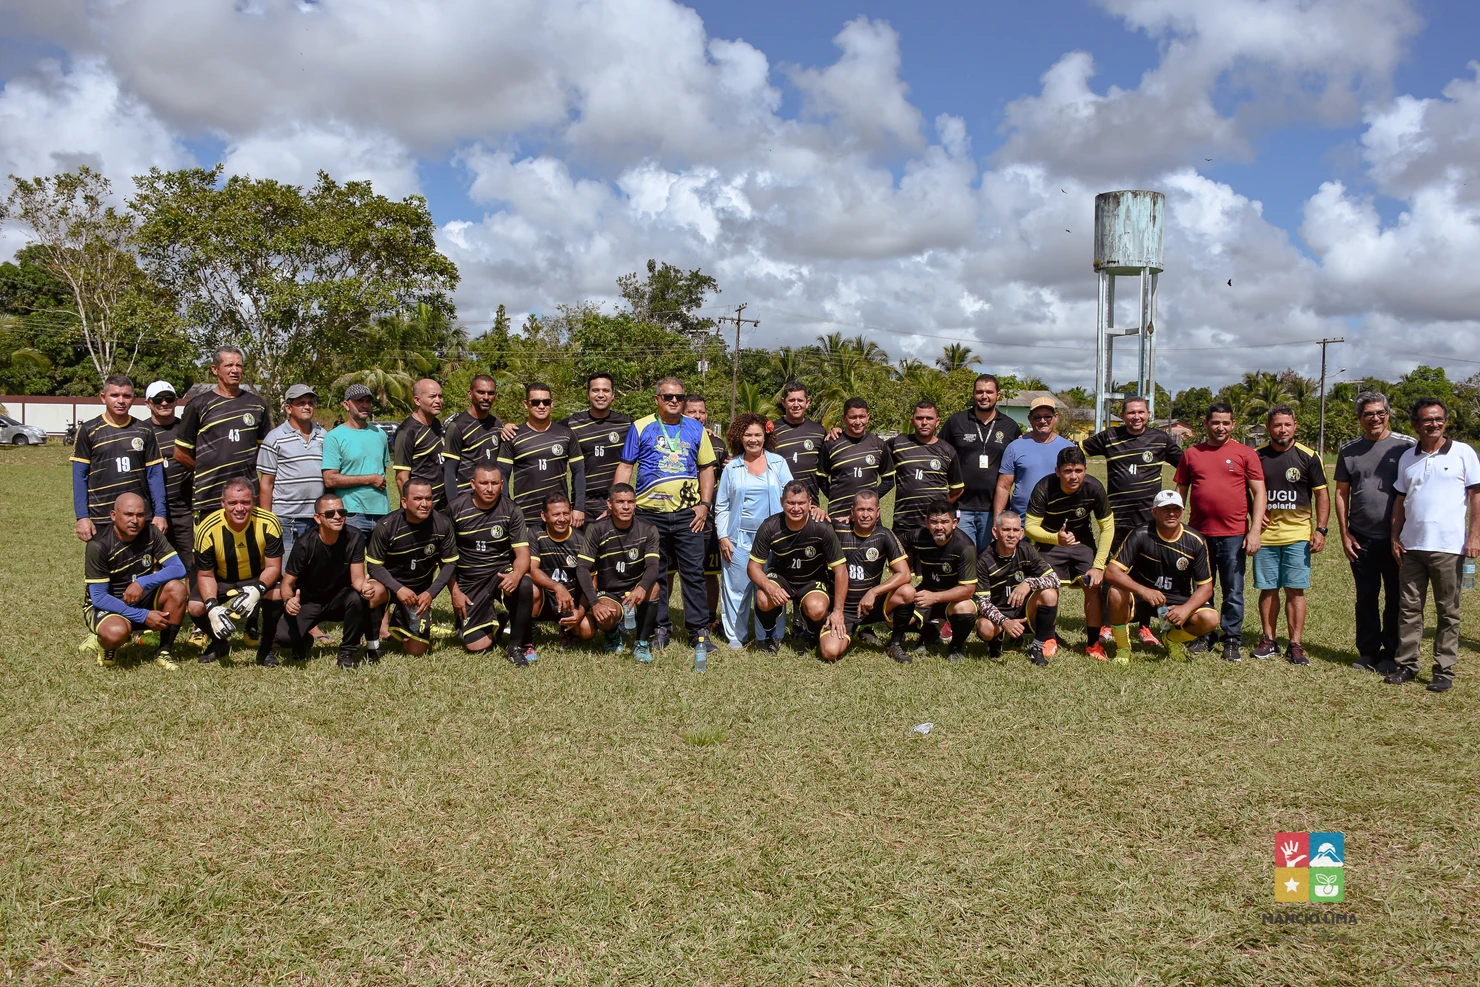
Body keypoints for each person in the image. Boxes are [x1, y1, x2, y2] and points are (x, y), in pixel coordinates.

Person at [613, 378, 716, 653]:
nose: (674, 401)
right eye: (668, 396)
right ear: (657, 399)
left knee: (693, 573)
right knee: (655, 573)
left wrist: (705, 504)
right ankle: (659, 627)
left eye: (679, 397)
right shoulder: (640, 426)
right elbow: (626, 466)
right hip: (649, 514)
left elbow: (706, 468)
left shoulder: (695, 428)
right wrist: (617, 501)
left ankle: (698, 631)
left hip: (688, 514)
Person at [1387, 398, 1480, 692]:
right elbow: (1400, 500)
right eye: (1427, 420)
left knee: (1448, 612)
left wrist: (1474, 537)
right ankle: (1407, 665)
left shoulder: (1463, 453)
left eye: (1438, 419)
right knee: (1409, 609)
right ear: (1415, 424)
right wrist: (1395, 536)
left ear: (1446, 421)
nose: (1434, 424)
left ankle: (1444, 670)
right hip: (1411, 547)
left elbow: (1476, 497)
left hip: (1449, 547)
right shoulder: (1408, 457)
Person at [1079, 394, 1183, 646]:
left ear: (1148, 414)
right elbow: (1076, 452)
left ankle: (1144, 626)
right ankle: (1107, 624)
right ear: (1123, 416)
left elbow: (1186, 465)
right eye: (1131, 413)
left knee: (1147, 574)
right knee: (1112, 572)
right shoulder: (1109, 437)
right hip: (1116, 520)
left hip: (1149, 522)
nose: (1136, 417)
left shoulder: (1160, 439)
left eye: (1141, 412)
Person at [1174, 402, 1266, 662]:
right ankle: (1204, 634)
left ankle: (1232, 638)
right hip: (1199, 535)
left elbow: (1259, 492)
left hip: (1234, 534)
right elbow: (1181, 491)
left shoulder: (1246, 454)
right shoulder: (1191, 454)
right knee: (1202, 587)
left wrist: (1255, 530)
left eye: (1226, 422)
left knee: (1233, 589)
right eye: (1215, 422)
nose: (1220, 427)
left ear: (1233, 424)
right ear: (1206, 424)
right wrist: (1177, 527)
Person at [1334, 391, 1415, 674]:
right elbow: (1341, 493)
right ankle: (1368, 652)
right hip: (1361, 538)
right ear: (1360, 418)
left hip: (1399, 539)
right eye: (1368, 414)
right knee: (1366, 597)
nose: (1375, 418)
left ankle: (1391, 653)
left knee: (1396, 598)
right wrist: (1345, 533)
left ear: (1388, 414)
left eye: (1380, 413)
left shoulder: (1406, 446)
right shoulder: (1349, 450)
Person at [1251, 405, 1329, 666]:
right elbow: (1241, 489)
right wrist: (1252, 515)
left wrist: (1321, 529)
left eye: (1287, 424)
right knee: (1268, 589)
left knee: (1295, 590)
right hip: (1266, 537)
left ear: (1295, 426)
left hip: (1298, 535)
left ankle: (1295, 644)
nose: (1282, 429)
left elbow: (1321, 494)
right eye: (1277, 425)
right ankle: (1268, 640)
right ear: (1268, 427)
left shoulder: (1309, 456)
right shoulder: (1257, 456)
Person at [1104, 490, 1219, 664]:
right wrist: (1144, 591)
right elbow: (1111, 572)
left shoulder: (1195, 540)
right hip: (1142, 596)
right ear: (1154, 512)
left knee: (1210, 618)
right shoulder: (1141, 534)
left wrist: (1186, 608)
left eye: (1176, 509)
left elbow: (1206, 587)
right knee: (1115, 593)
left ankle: (1172, 640)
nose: (1171, 513)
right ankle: (1123, 649)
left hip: (1176, 598)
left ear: (1183, 512)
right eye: (1165, 509)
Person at [81, 492, 189, 669]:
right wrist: (144, 616)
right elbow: (99, 597)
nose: (135, 520)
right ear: (113, 515)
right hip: (108, 606)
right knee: (116, 633)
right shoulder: (98, 545)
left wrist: (142, 583)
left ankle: (164, 651)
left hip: (141, 598)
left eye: (140, 515)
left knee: (177, 589)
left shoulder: (151, 533)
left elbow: (178, 568)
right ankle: (108, 645)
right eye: (128, 514)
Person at [1024, 446, 1114, 658]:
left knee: (1092, 585)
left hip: (1082, 543)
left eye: (1079, 470)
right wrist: (1056, 538)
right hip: (1050, 542)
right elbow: (1030, 527)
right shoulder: (1044, 487)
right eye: (1068, 471)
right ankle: (1048, 637)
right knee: (1049, 586)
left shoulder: (1094, 488)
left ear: (1085, 470)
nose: (1074, 476)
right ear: (1058, 471)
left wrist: (1098, 566)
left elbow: (1108, 527)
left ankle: (1093, 644)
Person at [715, 413, 792, 649]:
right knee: (736, 588)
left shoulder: (778, 463)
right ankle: (735, 636)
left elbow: (791, 496)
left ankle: (769, 634)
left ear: (765, 436)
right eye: (748, 435)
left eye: (758, 434)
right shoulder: (732, 467)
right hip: (739, 538)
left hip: (772, 539)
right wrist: (723, 536)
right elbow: (722, 505)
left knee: (770, 587)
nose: (753, 439)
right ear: (740, 437)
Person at [188, 477, 285, 666]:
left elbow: (274, 567)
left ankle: (266, 649)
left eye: (245, 502)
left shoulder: (269, 522)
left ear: (254, 501)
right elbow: (205, 574)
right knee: (195, 607)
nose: (239, 508)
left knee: (278, 594)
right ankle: (219, 643)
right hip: (221, 578)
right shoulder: (207, 529)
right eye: (233, 503)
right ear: (222, 503)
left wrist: (257, 589)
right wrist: (212, 607)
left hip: (258, 576)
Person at [447, 463, 535, 666]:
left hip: (499, 574)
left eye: (494, 483)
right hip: (470, 580)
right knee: (477, 647)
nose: (489, 488)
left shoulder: (511, 510)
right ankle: (499, 620)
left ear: (502, 485)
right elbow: (447, 558)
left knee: (525, 584)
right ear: (472, 484)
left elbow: (523, 554)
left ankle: (515, 646)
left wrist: (515, 575)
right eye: (483, 483)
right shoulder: (455, 509)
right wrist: (455, 591)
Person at [747, 481, 849, 654]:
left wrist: (838, 611)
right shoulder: (770, 526)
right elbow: (753, 567)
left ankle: (811, 632)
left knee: (817, 608)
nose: (796, 508)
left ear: (810, 503)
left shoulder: (822, 527)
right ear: (782, 502)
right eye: (790, 503)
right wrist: (770, 587)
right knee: (763, 597)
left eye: (801, 503)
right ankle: (771, 635)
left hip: (811, 579)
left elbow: (841, 571)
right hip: (781, 577)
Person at [364, 478, 459, 659]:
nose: (424, 504)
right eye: (417, 499)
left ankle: (400, 624)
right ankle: (371, 642)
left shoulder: (442, 524)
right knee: (372, 594)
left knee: (416, 651)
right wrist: (398, 589)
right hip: (390, 586)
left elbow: (449, 564)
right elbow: (374, 566)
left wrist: (430, 593)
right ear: (404, 502)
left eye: (428, 498)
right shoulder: (386, 526)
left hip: (418, 594)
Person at [274, 492, 371, 669]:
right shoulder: (304, 544)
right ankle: (304, 641)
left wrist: (365, 587)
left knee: (358, 598)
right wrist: (288, 600)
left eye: (342, 512)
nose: (337, 517)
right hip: (310, 601)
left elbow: (357, 578)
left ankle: (347, 652)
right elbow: (287, 583)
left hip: (339, 599)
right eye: (330, 513)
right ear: (317, 518)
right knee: (283, 638)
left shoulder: (354, 536)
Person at [174, 346, 271, 516]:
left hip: (246, 497)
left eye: (239, 365)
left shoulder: (257, 405)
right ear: (215, 369)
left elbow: (264, 451)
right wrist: (203, 470)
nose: (235, 370)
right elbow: (180, 453)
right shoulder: (198, 405)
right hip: (209, 497)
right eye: (229, 365)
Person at [821, 489, 914, 664]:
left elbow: (905, 574)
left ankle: (895, 643)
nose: (865, 515)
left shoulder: (884, 535)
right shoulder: (836, 529)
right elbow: (812, 522)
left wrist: (874, 592)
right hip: (844, 609)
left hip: (871, 606)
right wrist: (816, 510)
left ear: (878, 512)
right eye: (861, 509)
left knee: (907, 591)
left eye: (870, 510)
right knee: (830, 651)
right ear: (852, 511)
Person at [72, 374, 167, 541]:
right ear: (103, 397)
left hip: (138, 517)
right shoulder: (88, 430)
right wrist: (82, 517)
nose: (121, 401)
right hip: (101, 517)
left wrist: (160, 513)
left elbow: (154, 475)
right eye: (114, 395)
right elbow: (80, 476)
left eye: (126, 396)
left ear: (133, 399)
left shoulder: (144, 430)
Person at [578, 484, 662, 662]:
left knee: (654, 587)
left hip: (635, 587)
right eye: (620, 502)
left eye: (630, 502)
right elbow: (582, 567)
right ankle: (612, 633)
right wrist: (595, 603)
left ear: (635, 503)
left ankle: (641, 643)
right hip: (609, 591)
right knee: (605, 615)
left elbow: (653, 566)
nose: (626, 507)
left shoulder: (648, 529)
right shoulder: (597, 528)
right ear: (609, 504)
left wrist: (642, 587)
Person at [942, 374, 1022, 553]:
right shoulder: (956, 422)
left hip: (994, 508)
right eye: (979, 392)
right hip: (961, 507)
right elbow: (940, 453)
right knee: (964, 556)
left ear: (998, 395)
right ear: (973, 394)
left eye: (989, 392)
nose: (984, 396)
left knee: (989, 557)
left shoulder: (1010, 426)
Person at [973, 510, 1060, 666]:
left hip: (1024, 611)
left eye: (1015, 530)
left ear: (1021, 533)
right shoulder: (984, 560)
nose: (1011, 535)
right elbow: (982, 602)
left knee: (1050, 594)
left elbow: (1055, 579)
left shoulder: (1027, 550)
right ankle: (996, 640)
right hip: (998, 613)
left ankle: (1037, 647)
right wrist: (1005, 622)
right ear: (995, 532)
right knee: (984, 628)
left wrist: (1029, 583)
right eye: (1006, 530)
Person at [498, 381, 587, 529]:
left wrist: (579, 507)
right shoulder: (512, 436)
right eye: (535, 402)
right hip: (524, 516)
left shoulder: (566, 434)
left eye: (546, 402)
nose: (541, 406)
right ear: (526, 404)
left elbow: (578, 472)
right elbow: (502, 475)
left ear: (552, 403)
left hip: (559, 516)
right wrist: (507, 508)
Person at [903, 499, 979, 661]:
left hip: (955, 598)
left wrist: (935, 597)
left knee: (964, 609)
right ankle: (930, 634)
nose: (939, 527)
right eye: (934, 522)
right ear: (927, 523)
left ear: (954, 523)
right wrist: (903, 566)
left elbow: (968, 590)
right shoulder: (917, 536)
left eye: (945, 522)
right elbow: (893, 542)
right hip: (927, 591)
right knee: (895, 614)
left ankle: (955, 647)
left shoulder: (965, 547)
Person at [257, 384, 326, 557]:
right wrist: (267, 521)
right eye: (301, 403)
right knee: (286, 569)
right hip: (287, 520)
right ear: (288, 408)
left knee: (314, 569)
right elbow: (266, 483)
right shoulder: (274, 438)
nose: (307, 407)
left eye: (310, 403)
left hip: (317, 517)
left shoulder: (324, 435)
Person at [887, 398, 964, 549]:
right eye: (919, 418)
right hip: (904, 524)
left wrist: (940, 506)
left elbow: (958, 488)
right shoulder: (897, 444)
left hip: (934, 526)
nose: (924, 422)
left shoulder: (948, 451)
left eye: (929, 418)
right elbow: (871, 449)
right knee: (902, 564)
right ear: (912, 421)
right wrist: (840, 434)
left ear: (937, 422)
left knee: (931, 564)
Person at [561, 372, 634, 523]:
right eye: (595, 390)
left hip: (615, 502)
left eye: (606, 390)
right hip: (582, 505)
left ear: (613, 395)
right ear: (587, 394)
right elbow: (542, 430)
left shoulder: (627, 424)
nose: (601, 395)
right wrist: (510, 427)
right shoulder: (572, 423)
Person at [143, 381, 196, 585]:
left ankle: (193, 602)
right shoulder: (141, 431)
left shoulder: (187, 430)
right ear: (148, 403)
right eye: (158, 399)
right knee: (152, 566)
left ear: (176, 401)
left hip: (184, 510)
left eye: (169, 398)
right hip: (152, 513)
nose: (164, 403)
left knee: (191, 564)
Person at [683, 393, 729, 631]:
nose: (698, 416)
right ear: (683, 412)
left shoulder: (718, 444)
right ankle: (662, 622)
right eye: (692, 412)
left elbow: (725, 478)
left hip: (708, 517)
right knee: (670, 570)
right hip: (679, 513)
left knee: (709, 571)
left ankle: (710, 618)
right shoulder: (674, 437)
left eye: (702, 412)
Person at [322, 384, 392, 535]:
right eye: (359, 401)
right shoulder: (334, 437)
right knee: (353, 552)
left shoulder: (380, 434)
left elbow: (382, 472)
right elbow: (329, 479)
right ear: (346, 405)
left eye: (368, 401)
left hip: (382, 512)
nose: (365, 405)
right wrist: (369, 479)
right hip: (352, 514)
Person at [529, 492, 598, 645]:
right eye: (556, 515)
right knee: (530, 589)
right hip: (545, 598)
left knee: (587, 630)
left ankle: (567, 629)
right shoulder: (535, 534)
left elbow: (592, 580)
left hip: (570, 602)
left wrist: (581, 611)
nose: (562, 519)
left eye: (566, 513)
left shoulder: (582, 541)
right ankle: (528, 638)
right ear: (544, 516)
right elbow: (532, 570)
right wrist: (557, 587)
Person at [994, 397, 1072, 521]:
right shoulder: (1015, 447)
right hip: (1021, 522)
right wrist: (997, 520)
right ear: (1030, 419)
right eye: (1037, 417)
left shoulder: (1068, 448)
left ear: (1056, 417)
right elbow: (1004, 487)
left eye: (1047, 416)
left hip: (1057, 522)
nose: (1043, 421)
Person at [818, 397, 894, 521]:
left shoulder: (879, 445)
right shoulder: (831, 444)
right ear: (844, 418)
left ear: (868, 417)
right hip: (839, 515)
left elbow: (889, 481)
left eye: (862, 417)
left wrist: (868, 502)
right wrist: (835, 498)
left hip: (868, 518)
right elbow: (821, 478)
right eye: (853, 417)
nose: (858, 422)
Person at [443, 374, 504, 500]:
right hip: (467, 499)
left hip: (492, 499)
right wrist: (454, 505)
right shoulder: (457, 426)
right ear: (470, 394)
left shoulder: (497, 425)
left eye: (490, 393)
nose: (486, 397)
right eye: (481, 392)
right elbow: (449, 472)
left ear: (495, 396)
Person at [393, 378, 447, 509]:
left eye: (440, 396)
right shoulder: (407, 432)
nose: (438, 401)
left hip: (442, 506)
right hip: (421, 508)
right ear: (417, 400)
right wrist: (412, 509)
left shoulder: (436, 424)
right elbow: (401, 477)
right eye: (432, 396)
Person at [771, 381, 826, 502]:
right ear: (783, 402)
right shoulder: (771, 430)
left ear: (807, 402)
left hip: (810, 503)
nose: (796, 405)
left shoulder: (819, 431)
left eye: (800, 400)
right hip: (779, 502)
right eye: (791, 400)